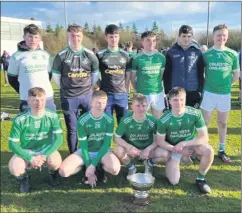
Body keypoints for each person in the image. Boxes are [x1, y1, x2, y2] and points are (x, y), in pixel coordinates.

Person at [52, 24, 100, 154]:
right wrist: (65, 87)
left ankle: (91, 152)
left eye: (78, 36)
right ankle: (73, 154)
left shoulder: (90, 54)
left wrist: (89, 87)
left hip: (87, 96)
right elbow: (56, 76)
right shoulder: (61, 55)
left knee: (89, 127)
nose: (75, 38)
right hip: (69, 97)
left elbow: (95, 74)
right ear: (68, 36)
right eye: (72, 36)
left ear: (82, 36)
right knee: (72, 129)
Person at [156, 87, 214, 194]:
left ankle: (201, 179)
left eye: (182, 99)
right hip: (174, 148)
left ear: (185, 99)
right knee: (174, 181)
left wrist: (184, 143)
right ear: (169, 101)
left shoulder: (195, 113)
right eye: (175, 100)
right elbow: (160, 142)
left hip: (191, 144)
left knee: (208, 150)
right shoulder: (163, 119)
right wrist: (177, 149)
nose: (179, 102)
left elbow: (204, 137)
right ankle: (181, 158)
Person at [59, 90, 120, 188]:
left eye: (103, 103)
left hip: (103, 151)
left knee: (115, 169)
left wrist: (92, 166)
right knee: (63, 172)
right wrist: (89, 167)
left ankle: (99, 168)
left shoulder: (109, 119)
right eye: (98, 102)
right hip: (85, 151)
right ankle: (85, 168)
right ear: (91, 102)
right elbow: (84, 146)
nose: (101, 105)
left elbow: (106, 145)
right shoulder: (83, 120)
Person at [8, 87, 63, 193]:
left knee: (55, 162)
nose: (39, 103)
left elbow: (59, 140)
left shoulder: (53, 116)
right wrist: (30, 158)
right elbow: (12, 144)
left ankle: (52, 175)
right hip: (27, 150)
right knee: (15, 168)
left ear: (45, 100)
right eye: (34, 100)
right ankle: (25, 179)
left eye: (42, 100)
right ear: (28, 101)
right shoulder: (20, 119)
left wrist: (44, 156)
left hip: (45, 149)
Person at [200, 24, 240, 163]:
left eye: (224, 35)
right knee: (205, 122)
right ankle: (202, 147)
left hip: (225, 95)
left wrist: (227, 85)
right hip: (209, 93)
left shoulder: (232, 54)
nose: (221, 38)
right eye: (218, 35)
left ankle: (222, 149)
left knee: (222, 122)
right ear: (213, 36)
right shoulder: (206, 54)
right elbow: (201, 73)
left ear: (227, 37)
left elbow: (236, 74)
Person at [114, 93, 165, 179]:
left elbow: (158, 140)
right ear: (132, 107)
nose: (141, 109)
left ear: (147, 106)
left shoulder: (153, 121)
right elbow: (116, 137)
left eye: (144, 106)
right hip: (131, 150)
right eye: (138, 106)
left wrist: (148, 150)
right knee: (118, 150)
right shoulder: (126, 120)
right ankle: (131, 167)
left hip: (147, 150)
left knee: (166, 154)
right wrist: (129, 146)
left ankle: (149, 163)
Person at [7, 24, 55, 112]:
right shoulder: (16, 56)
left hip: (47, 98)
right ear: (24, 37)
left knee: (50, 125)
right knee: (29, 125)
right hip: (28, 99)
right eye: (30, 36)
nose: (33, 40)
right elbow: (11, 79)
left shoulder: (46, 55)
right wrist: (24, 91)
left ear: (40, 38)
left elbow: (49, 75)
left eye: (36, 37)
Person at [96, 24, 131, 124]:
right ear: (106, 37)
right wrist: (100, 85)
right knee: (106, 125)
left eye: (116, 36)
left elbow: (128, 75)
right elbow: (94, 75)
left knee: (123, 126)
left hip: (122, 95)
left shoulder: (126, 55)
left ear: (119, 37)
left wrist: (126, 90)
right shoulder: (100, 55)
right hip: (106, 96)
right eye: (111, 37)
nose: (114, 39)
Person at [163, 25, 205, 109]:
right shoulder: (171, 52)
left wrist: (200, 90)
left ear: (192, 37)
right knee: (176, 118)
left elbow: (201, 73)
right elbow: (167, 74)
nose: (186, 39)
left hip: (193, 92)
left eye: (189, 36)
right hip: (175, 92)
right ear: (179, 36)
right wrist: (168, 91)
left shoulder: (198, 52)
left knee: (191, 119)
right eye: (184, 36)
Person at [131, 31, 166, 118]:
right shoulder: (136, 58)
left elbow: (161, 76)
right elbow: (132, 78)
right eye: (148, 40)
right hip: (142, 94)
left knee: (157, 121)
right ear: (142, 42)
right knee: (140, 121)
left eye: (154, 41)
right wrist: (138, 89)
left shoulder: (161, 57)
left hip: (158, 93)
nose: (151, 43)